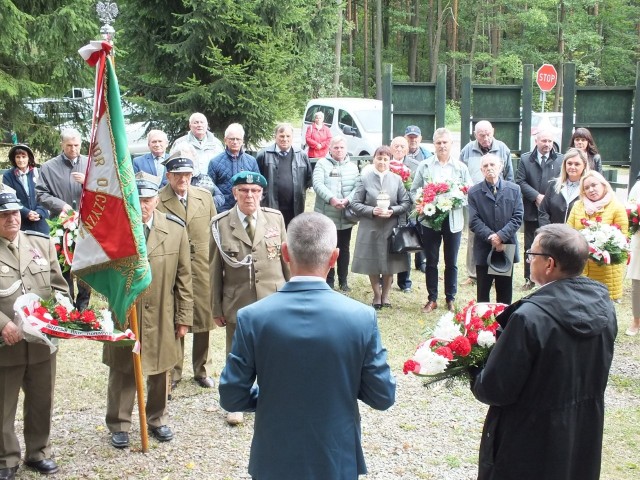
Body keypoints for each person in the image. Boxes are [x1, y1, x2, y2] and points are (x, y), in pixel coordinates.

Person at [218, 212, 396, 480]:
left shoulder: (253, 316)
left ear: (286, 253)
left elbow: (232, 396)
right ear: (335, 258)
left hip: (274, 456)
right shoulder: (360, 317)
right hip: (335, 455)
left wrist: (270, 397)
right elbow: (382, 396)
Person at [471, 224, 617, 480]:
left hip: (529, 439)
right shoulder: (604, 308)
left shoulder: (529, 318)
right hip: (581, 432)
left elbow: (495, 389)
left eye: (531, 254)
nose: (528, 260)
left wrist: (474, 365)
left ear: (549, 264)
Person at [104, 172, 193, 448]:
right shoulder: (118, 230)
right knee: (122, 369)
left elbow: (184, 278)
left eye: (148, 199)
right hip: (126, 310)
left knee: (161, 368)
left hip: (162, 311)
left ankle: (157, 419)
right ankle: (119, 424)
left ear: (157, 199)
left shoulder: (175, 229)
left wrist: (183, 318)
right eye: (138, 199)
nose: (143, 205)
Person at [210, 171, 290, 425]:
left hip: (272, 298)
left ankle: (273, 397)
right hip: (237, 299)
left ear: (262, 194)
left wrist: (293, 296)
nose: (249, 195)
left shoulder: (275, 219)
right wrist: (216, 306)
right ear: (234, 193)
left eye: (255, 191)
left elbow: (286, 261)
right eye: (243, 190)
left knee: (275, 351)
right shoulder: (221, 223)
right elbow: (213, 270)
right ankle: (235, 402)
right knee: (236, 352)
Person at [0, 191, 69, 479]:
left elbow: (60, 286)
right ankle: (6, 458)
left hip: (42, 342)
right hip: (7, 344)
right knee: (3, 405)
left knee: (42, 400)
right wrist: (2, 323)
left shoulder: (40, 243)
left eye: (15, 212)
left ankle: (38, 452)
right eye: (4, 214)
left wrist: (62, 311)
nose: (12, 218)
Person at [157, 151, 217, 391]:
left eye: (187, 174)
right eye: (178, 175)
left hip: (202, 267)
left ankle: (202, 369)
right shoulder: (158, 199)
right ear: (168, 176)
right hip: (172, 267)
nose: (183, 179)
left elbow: (214, 234)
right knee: (176, 320)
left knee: (203, 320)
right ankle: (173, 372)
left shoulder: (204, 196)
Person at [410, 128, 472, 313]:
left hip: (453, 220)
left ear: (451, 144)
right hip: (430, 220)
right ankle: (432, 298)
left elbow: (471, 192)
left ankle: (450, 298)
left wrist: (455, 200)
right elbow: (414, 191)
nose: (442, 146)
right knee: (431, 260)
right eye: (438, 143)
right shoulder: (425, 166)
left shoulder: (461, 168)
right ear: (434, 145)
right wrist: (422, 202)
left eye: (445, 142)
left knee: (451, 261)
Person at [35, 128, 91, 311]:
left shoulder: (90, 164)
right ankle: (66, 305)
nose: (73, 149)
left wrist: (88, 182)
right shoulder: (49, 167)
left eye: (76, 145)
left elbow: (104, 191)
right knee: (63, 266)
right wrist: (60, 205)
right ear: (62, 145)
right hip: (61, 226)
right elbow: (41, 194)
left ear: (81, 144)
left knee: (85, 265)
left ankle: (83, 306)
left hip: (86, 224)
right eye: (69, 146)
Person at [351, 146, 411, 309]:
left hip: (390, 226)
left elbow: (405, 203)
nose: (382, 162)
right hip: (371, 226)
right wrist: (371, 210)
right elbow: (355, 203)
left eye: (386, 159)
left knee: (389, 262)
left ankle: (386, 295)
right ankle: (376, 295)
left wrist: (392, 211)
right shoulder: (365, 178)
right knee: (373, 261)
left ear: (390, 161)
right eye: (379, 158)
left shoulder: (396, 179)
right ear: (373, 159)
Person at [459, 120, 515, 286]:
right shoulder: (467, 150)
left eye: (488, 134)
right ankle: (473, 273)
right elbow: (461, 175)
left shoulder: (503, 148)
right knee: (474, 236)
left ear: (493, 131)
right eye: (481, 135)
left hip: (499, 199)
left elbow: (510, 176)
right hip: (476, 199)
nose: (485, 138)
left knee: (499, 234)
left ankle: (498, 268)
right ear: (475, 135)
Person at [467, 154, 523, 304]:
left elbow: (518, 217)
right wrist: (492, 237)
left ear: (500, 167)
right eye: (485, 166)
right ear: (481, 170)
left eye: (492, 165)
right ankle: (482, 325)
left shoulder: (514, 189)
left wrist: (501, 236)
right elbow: (473, 220)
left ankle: (503, 326)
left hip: (505, 247)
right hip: (484, 247)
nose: (489, 168)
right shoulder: (474, 192)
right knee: (483, 294)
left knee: (504, 294)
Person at [566, 171, 628, 300]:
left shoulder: (616, 207)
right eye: (586, 188)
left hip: (605, 271)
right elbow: (568, 231)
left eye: (594, 185)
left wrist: (600, 247)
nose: (591, 190)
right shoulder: (578, 206)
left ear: (603, 185)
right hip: (581, 268)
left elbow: (622, 240)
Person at [515, 128, 564, 290]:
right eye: (544, 141)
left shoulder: (560, 160)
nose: (547, 145)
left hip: (552, 213)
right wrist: (536, 196)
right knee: (530, 245)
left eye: (550, 141)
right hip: (531, 210)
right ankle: (529, 278)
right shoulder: (526, 159)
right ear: (536, 141)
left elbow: (561, 182)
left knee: (552, 245)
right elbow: (520, 181)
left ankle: (552, 277)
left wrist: (548, 200)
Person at [313, 135, 360, 291]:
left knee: (344, 248)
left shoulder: (353, 167)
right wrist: (331, 199)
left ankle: (344, 280)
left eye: (342, 147)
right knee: (328, 248)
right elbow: (317, 184)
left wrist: (347, 200)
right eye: (336, 147)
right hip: (326, 214)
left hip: (345, 215)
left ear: (346, 149)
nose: (339, 150)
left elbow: (357, 187)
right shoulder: (322, 164)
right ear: (330, 149)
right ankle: (329, 281)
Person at [257, 123, 313, 226]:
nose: (285, 139)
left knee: (292, 237)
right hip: (271, 206)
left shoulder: (302, 155)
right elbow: (257, 181)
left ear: (292, 137)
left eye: (288, 136)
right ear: (275, 136)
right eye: (281, 136)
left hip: (295, 207)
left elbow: (309, 179)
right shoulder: (264, 155)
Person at [208, 123, 260, 212]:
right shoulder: (215, 162)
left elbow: (257, 186)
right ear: (225, 140)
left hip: (245, 209)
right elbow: (210, 189)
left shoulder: (251, 161)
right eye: (232, 139)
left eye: (238, 139)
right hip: (223, 211)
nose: (235, 142)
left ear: (242, 141)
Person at [390, 136, 416, 292]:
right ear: (391, 148)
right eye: (396, 146)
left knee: (404, 245)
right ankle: (385, 278)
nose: (399, 149)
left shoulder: (414, 165)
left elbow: (416, 188)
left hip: (405, 211)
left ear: (407, 149)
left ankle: (405, 281)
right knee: (385, 245)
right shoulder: (385, 161)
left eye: (402, 146)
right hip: (387, 209)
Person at [2, 145, 49, 234]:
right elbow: (10, 200)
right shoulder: (8, 176)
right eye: (18, 157)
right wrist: (27, 213)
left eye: (24, 157)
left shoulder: (38, 173)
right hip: (22, 223)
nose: (21, 160)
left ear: (29, 158)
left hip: (41, 221)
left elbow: (45, 195)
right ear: (14, 159)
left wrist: (39, 212)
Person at [538, 148, 590, 226]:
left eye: (577, 164)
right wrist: (548, 232)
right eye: (569, 163)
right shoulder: (554, 185)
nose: (572, 167)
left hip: (577, 236)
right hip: (554, 235)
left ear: (584, 166)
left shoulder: (588, 189)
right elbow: (543, 211)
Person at [172, 112, 224, 178]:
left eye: (202, 122)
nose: (199, 125)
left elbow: (222, 165)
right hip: (188, 182)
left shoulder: (217, 143)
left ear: (207, 125)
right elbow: (172, 165)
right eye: (196, 122)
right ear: (190, 126)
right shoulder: (180, 143)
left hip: (212, 183)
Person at [172, 143, 224, 209]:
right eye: (181, 159)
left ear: (194, 159)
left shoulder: (204, 178)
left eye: (188, 159)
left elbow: (220, 198)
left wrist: (201, 203)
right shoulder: (170, 180)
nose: (185, 163)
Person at [625, 175, 640, 336]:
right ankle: (636, 320)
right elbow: (630, 208)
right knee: (637, 281)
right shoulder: (638, 186)